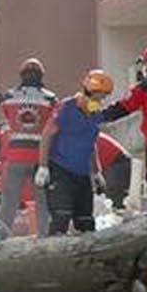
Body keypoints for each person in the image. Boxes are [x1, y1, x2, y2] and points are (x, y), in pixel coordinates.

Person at [38, 71, 129, 235]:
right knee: (61, 217)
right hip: (61, 169)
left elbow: (91, 142)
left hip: (82, 173)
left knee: (86, 221)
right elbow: (47, 135)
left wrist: (97, 172)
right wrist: (43, 166)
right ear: (90, 91)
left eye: (104, 97)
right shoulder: (67, 108)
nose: (101, 100)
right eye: (100, 96)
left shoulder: (94, 114)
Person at [0, 58, 56, 232]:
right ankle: (44, 237)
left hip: (15, 157)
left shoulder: (10, 96)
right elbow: (53, 127)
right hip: (39, 158)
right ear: (41, 75)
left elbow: (7, 117)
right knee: (42, 202)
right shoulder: (50, 98)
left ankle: (0, 237)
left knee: (9, 203)